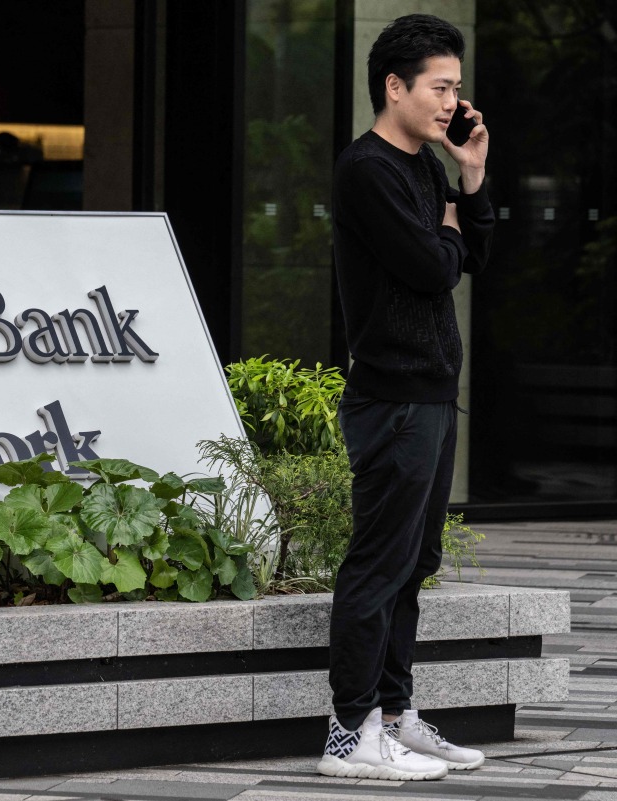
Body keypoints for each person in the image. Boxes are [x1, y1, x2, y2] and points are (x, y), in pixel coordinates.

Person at [319, 13, 495, 781]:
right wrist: (449, 238)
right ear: (394, 86)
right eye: (440, 87)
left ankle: (395, 716)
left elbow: (468, 255)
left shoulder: (427, 164)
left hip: (430, 390)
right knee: (379, 564)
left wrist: (471, 181)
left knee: (414, 560)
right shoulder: (367, 170)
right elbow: (431, 268)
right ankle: (347, 733)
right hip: (391, 395)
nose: (452, 102)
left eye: (457, 88)